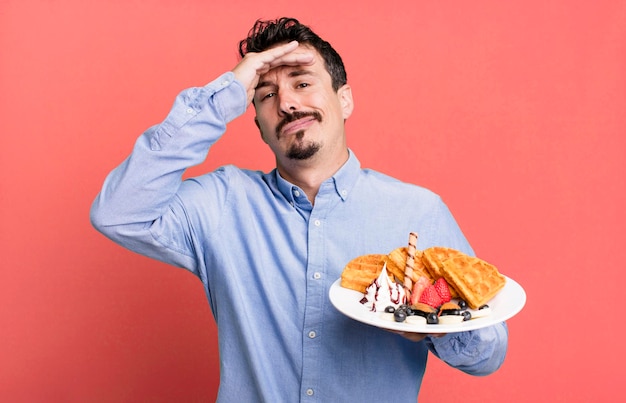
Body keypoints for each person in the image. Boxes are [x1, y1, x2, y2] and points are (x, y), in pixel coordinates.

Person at [91, 17, 508, 402]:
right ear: (256, 123)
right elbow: (118, 212)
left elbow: (487, 355)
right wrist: (223, 98)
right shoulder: (223, 204)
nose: (287, 103)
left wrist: (433, 325)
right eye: (266, 95)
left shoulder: (417, 210)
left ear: (344, 100)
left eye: (303, 83)